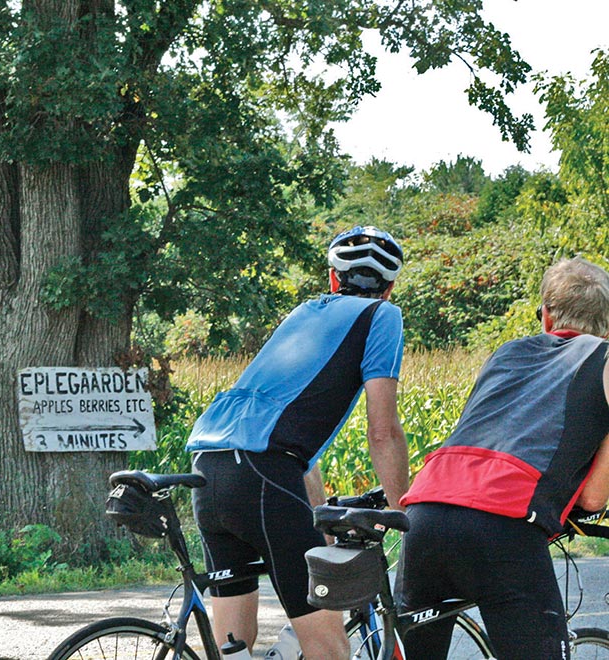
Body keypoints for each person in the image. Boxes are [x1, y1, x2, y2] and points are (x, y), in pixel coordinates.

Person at [185, 226, 410, 659]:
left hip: (209, 469)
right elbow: (384, 431)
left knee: (234, 646)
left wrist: (316, 520)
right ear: (390, 289)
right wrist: (405, 510)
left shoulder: (303, 314)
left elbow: (297, 448)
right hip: (263, 475)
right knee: (328, 646)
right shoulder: (383, 316)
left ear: (332, 279)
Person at [396, 256, 609, 659]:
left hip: (423, 516)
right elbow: (595, 498)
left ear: (545, 317)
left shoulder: (506, 353)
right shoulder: (604, 360)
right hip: (503, 528)